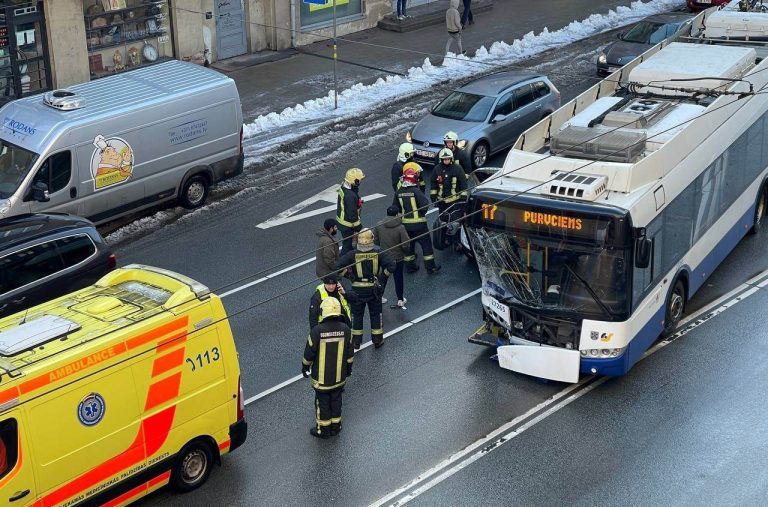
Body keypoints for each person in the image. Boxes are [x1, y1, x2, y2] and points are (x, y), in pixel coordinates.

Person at [302, 297, 354, 439]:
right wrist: (348, 369)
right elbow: (350, 354)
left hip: (321, 379)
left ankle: (323, 430)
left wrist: (305, 367)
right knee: (337, 400)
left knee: (322, 402)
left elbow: (309, 353)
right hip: (339, 376)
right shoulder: (346, 330)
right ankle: (336, 426)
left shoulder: (317, 331)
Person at [336, 228, 396, 349]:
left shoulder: (352, 254)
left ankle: (356, 342)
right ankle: (378, 340)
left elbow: (337, 266)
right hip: (374, 290)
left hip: (357, 290)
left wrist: (349, 276)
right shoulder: (378, 252)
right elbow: (392, 265)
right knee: (375, 314)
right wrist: (382, 278)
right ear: (371, 239)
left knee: (357, 315)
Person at [397, 167, 441, 274]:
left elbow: (395, 207)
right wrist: (420, 215)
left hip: (405, 226)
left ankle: (410, 267)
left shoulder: (399, 192)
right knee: (426, 245)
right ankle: (430, 268)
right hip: (419, 225)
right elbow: (425, 204)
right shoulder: (416, 191)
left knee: (409, 245)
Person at [431, 148, 468, 251]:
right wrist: (433, 198)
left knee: (455, 223)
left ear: (451, 158)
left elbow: (464, 185)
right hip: (442, 202)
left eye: (448, 159)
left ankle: (457, 243)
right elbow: (433, 184)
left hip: (455, 202)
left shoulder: (457, 168)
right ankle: (446, 239)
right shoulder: (437, 169)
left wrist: (463, 199)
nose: (446, 161)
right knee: (443, 222)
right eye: (444, 159)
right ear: (441, 160)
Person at [374, 206, 410, 308]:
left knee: (383, 277)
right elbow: (406, 244)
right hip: (398, 257)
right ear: (396, 214)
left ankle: (380, 296)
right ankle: (400, 299)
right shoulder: (400, 227)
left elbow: (375, 240)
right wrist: (405, 251)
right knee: (398, 278)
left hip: (384, 256)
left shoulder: (379, 225)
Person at [336, 168, 365, 253]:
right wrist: (359, 228)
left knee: (348, 243)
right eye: (359, 181)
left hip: (343, 222)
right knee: (347, 245)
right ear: (354, 181)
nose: (360, 183)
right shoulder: (350, 196)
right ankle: (343, 263)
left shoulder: (345, 188)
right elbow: (352, 215)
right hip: (347, 225)